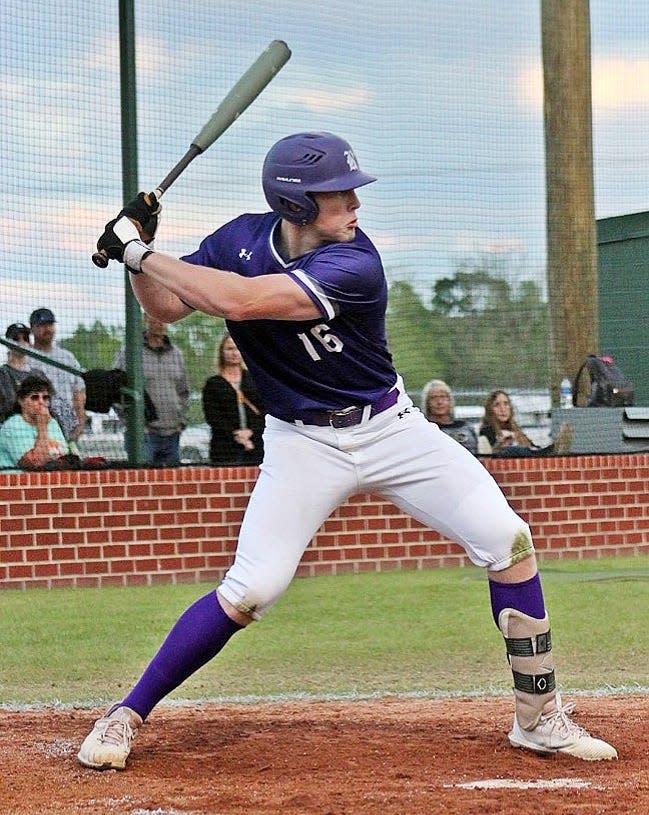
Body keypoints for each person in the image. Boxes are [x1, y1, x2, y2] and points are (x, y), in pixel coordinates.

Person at [78, 131, 615, 770]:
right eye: (340, 195)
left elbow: (243, 302)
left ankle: (539, 718)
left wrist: (137, 249)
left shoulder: (355, 263)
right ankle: (124, 715)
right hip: (302, 442)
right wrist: (144, 260)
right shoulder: (238, 239)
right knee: (252, 591)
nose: (355, 206)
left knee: (509, 538)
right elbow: (166, 305)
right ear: (298, 204)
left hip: (392, 429)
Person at [113, 313, 190, 466]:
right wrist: (132, 423)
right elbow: (116, 389)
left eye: (164, 318)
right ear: (145, 318)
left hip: (172, 432)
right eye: (156, 317)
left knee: (172, 484)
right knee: (142, 482)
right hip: (143, 435)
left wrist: (181, 421)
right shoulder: (129, 352)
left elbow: (184, 391)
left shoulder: (177, 354)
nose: (160, 323)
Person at [202, 332, 264, 465]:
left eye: (237, 348)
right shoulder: (214, 383)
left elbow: (265, 410)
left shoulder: (254, 379)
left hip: (256, 443)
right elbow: (213, 416)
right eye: (229, 348)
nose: (234, 353)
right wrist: (236, 434)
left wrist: (251, 432)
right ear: (221, 352)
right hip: (225, 446)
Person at [29, 308, 86, 442]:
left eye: (50, 324)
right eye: (42, 325)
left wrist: (81, 422)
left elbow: (79, 392)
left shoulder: (67, 357)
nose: (47, 329)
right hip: (36, 423)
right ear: (32, 329)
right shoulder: (26, 357)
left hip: (66, 423)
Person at [0, 374, 72, 471]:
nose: (41, 402)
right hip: (17, 482)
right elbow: (36, 464)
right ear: (21, 401)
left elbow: (64, 459)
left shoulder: (53, 424)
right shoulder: (13, 426)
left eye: (45, 397)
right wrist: (42, 427)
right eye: (35, 397)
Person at [478, 389, 572, 457]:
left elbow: (532, 447)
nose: (503, 409)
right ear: (490, 409)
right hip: (508, 460)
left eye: (506, 404)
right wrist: (500, 443)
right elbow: (491, 455)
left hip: (527, 459)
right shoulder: (487, 429)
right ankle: (553, 450)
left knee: (531, 449)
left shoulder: (515, 428)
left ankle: (556, 448)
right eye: (497, 405)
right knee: (510, 450)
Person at [421, 379, 478, 455]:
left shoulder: (467, 428)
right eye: (434, 398)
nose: (439, 402)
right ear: (427, 402)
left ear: (450, 400)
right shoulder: (424, 429)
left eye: (443, 397)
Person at [0, 323, 34, 423]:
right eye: (16, 339)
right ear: (7, 343)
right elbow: (9, 404)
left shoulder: (38, 374)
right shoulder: (2, 374)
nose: (22, 342)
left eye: (26, 338)